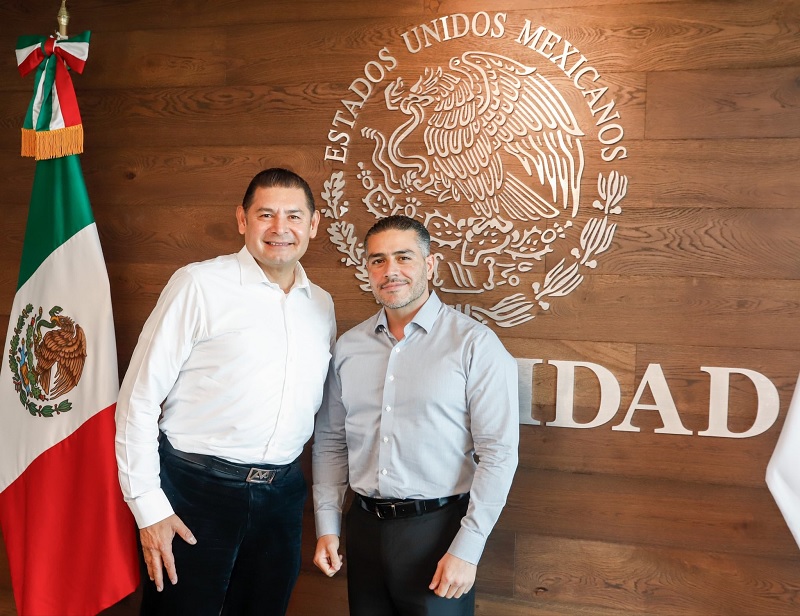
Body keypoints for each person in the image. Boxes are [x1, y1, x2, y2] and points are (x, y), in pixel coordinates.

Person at [115, 168, 335, 615]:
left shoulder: (322, 305)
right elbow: (137, 398)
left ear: (313, 225)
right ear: (242, 220)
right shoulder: (198, 285)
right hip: (195, 492)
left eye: (294, 216)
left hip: (282, 495)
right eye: (265, 214)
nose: (280, 228)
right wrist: (148, 508)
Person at [312, 214, 519, 616]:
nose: (390, 272)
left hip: (439, 533)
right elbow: (331, 442)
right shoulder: (348, 347)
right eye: (377, 260)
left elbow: (499, 454)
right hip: (363, 530)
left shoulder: (475, 345)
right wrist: (327, 526)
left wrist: (468, 547)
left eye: (403, 258)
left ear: (430, 265)